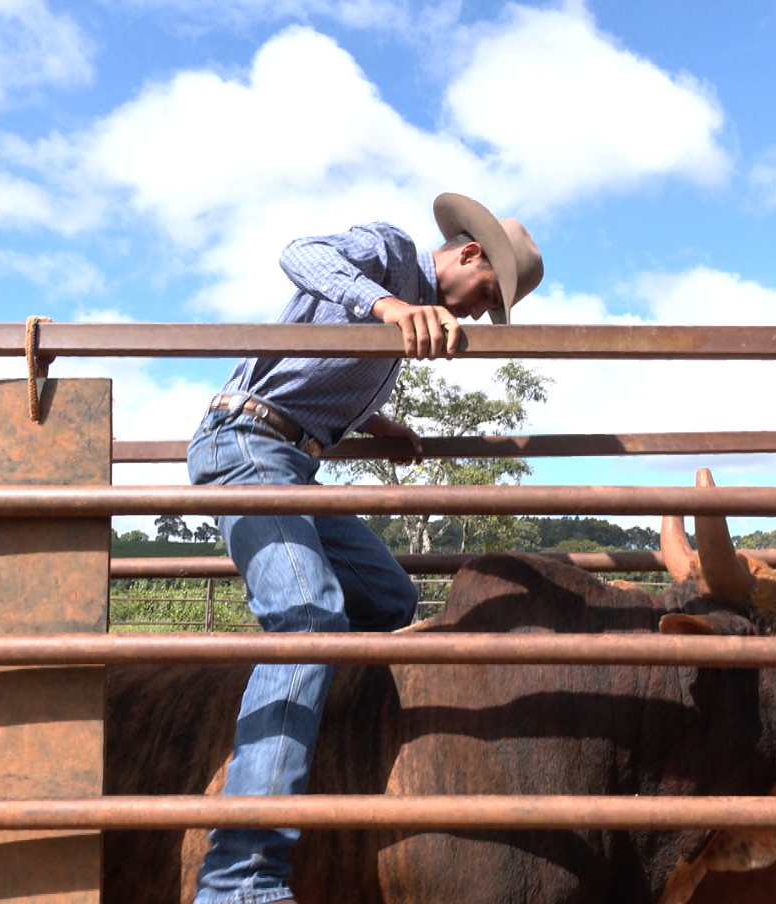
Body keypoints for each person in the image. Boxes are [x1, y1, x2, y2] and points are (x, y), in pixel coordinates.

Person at [186, 192, 543, 904]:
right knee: (308, 618)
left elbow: (310, 374)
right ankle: (239, 879)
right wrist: (385, 307)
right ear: (468, 253)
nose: (478, 313)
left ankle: (316, 754)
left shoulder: (405, 311)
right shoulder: (387, 254)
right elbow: (299, 254)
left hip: (293, 459)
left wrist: (378, 422)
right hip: (245, 444)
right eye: (487, 294)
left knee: (389, 599)